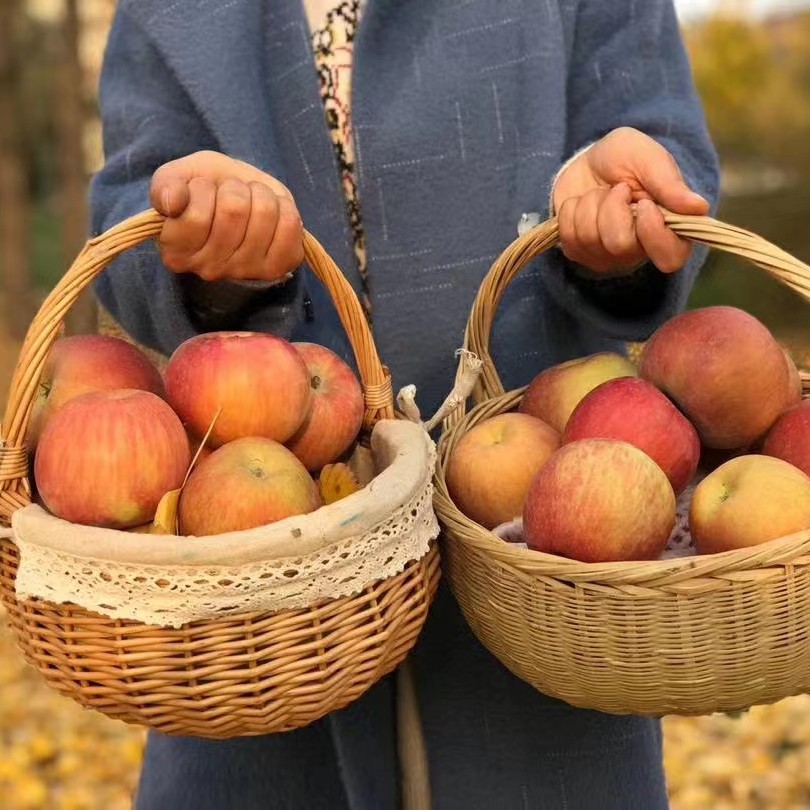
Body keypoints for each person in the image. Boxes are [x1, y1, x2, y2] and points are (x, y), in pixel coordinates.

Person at [90, 1, 719, 807]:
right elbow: (128, 208)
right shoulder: (167, 11)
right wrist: (200, 254)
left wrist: (617, 215)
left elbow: (661, 149)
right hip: (252, 619)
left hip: (549, 583)